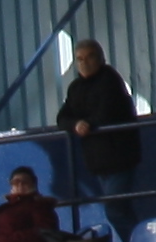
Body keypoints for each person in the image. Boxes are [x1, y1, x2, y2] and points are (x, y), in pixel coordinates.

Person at [57, 38, 142, 194]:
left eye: (90, 57)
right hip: (97, 160)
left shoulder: (110, 80)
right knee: (115, 203)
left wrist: (87, 124)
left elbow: (107, 113)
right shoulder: (75, 88)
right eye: (80, 59)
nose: (85, 63)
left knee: (114, 204)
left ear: (101, 59)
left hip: (120, 156)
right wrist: (76, 124)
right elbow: (62, 118)